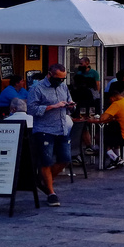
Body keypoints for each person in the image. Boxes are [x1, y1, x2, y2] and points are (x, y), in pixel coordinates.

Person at [27, 64, 72, 207]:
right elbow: (31, 109)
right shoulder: (37, 88)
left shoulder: (63, 87)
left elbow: (70, 101)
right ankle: (51, 193)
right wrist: (52, 106)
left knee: (65, 158)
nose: (60, 81)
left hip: (61, 127)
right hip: (44, 129)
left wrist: (71, 105)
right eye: (58, 79)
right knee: (46, 161)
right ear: (49, 74)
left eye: (63, 79)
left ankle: (45, 181)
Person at [100, 82, 124, 167]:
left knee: (101, 137)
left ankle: (116, 158)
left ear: (112, 98)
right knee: (113, 129)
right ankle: (116, 159)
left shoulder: (117, 103)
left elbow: (102, 118)